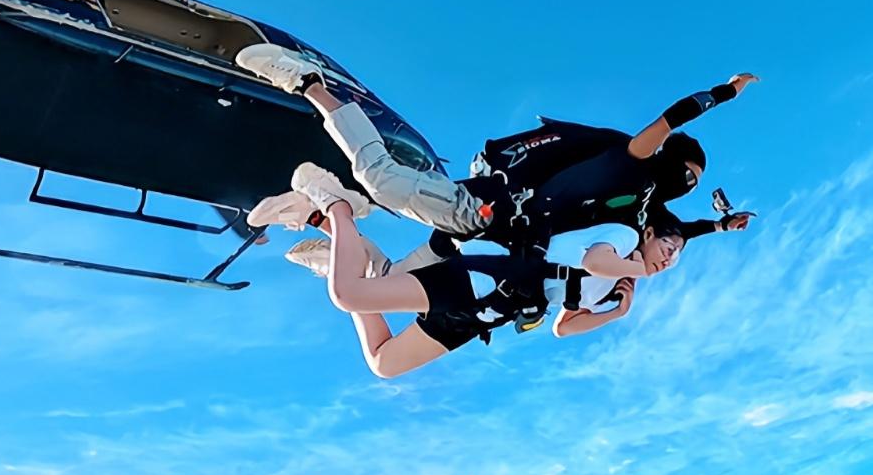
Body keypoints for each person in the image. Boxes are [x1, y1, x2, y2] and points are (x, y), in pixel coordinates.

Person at [235, 42, 756, 268]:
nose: (686, 186)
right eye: (687, 175)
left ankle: (329, 217)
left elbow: (677, 229)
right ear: (669, 161)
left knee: (390, 281)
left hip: (486, 239)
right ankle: (309, 82)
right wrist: (725, 92)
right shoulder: (634, 159)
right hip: (490, 209)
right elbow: (668, 120)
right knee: (384, 180)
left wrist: (721, 226)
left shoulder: (641, 207)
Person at [281, 162, 689, 378]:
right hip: (482, 281)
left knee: (384, 364)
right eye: (668, 249)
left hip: (485, 315)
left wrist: (616, 312)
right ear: (649, 233)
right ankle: (338, 207)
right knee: (349, 294)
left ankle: (342, 249)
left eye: (675, 258)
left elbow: (564, 327)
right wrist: (638, 270)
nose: (668, 260)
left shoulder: (615, 283)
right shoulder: (624, 239)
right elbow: (593, 260)